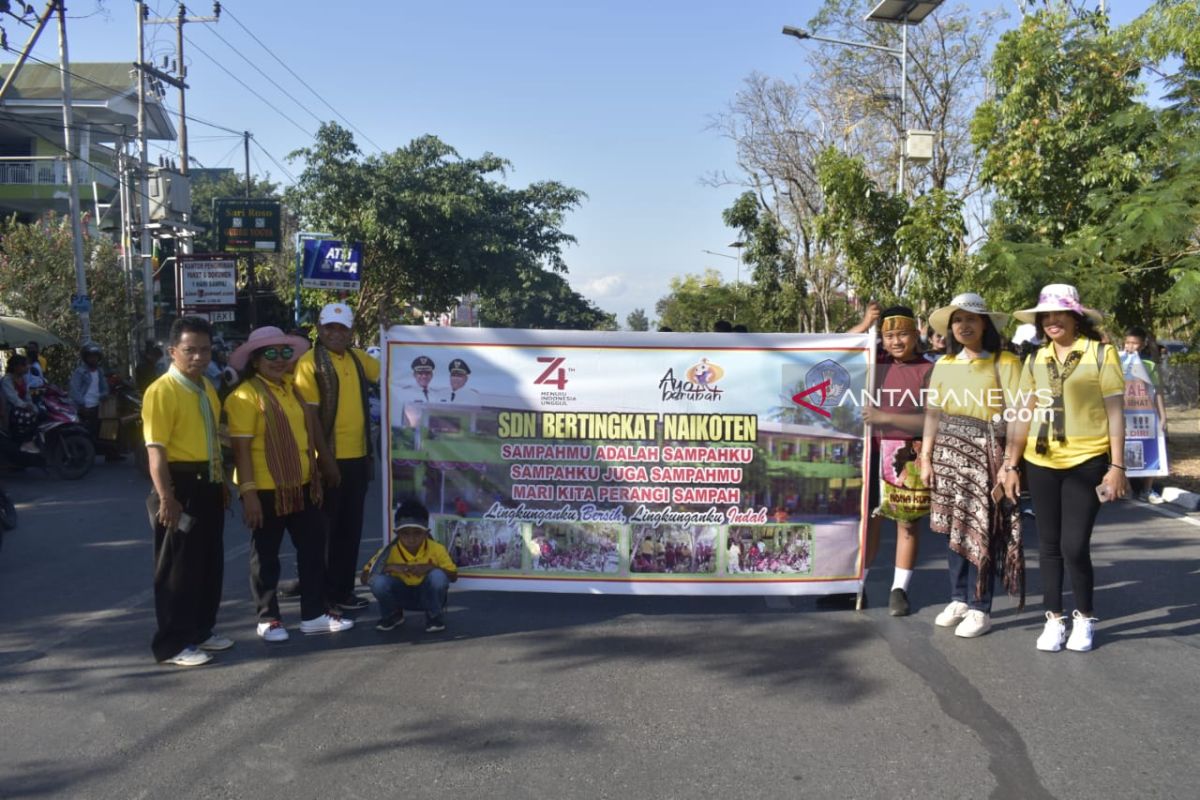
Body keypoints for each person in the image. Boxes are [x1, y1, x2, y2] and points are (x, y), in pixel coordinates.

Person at [1000, 284, 1128, 654]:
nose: (1052, 321)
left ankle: (1084, 617)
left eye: (1059, 313)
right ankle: (1054, 619)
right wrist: (1011, 463)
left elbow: (1116, 412)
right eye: (1046, 315)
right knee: (1049, 545)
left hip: (1086, 461)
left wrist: (1117, 465)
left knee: (1074, 545)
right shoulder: (1035, 359)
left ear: (1076, 317)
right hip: (1040, 461)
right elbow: (1023, 413)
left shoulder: (1101, 354)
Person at [225, 326, 353, 641]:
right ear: (255, 361)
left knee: (312, 550)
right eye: (270, 354)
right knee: (266, 556)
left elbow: (309, 435)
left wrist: (324, 467)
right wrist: (249, 494)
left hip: (303, 485)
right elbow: (241, 450)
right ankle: (268, 619)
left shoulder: (293, 390)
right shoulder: (244, 396)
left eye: (284, 353)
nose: (279, 360)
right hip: (266, 489)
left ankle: (313, 614)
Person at [920, 293, 1023, 639]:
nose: (964, 326)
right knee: (954, 530)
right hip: (948, 455)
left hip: (986, 456)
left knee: (982, 528)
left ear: (985, 325)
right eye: (958, 320)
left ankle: (981, 607)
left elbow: (1017, 414)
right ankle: (958, 598)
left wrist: (1010, 463)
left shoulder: (1005, 362)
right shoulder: (944, 364)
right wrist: (926, 457)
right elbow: (933, 413)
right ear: (950, 328)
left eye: (972, 319)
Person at [142, 317, 231, 667]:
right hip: (179, 484)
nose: (198, 357)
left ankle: (201, 630)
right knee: (176, 567)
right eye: (190, 350)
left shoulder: (206, 387)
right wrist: (167, 497)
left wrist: (221, 479)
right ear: (172, 352)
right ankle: (172, 643)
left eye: (205, 349)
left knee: (209, 562)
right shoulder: (162, 391)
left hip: (208, 481)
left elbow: (214, 438)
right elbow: (156, 451)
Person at [293, 302, 381, 614]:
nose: (335, 334)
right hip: (328, 459)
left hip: (358, 458)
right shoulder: (309, 363)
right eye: (330, 327)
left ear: (351, 332)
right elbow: (310, 417)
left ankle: (343, 590)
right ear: (319, 328)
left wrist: (400, 338)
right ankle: (324, 595)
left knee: (350, 529)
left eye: (342, 328)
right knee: (324, 532)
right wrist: (325, 459)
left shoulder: (358, 359)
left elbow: (391, 368)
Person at [862, 307, 935, 616]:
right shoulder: (874, 361)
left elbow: (931, 420)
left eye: (902, 334)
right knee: (869, 524)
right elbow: (836, 351)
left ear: (914, 335)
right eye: (889, 335)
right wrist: (865, 324)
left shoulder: (928, 370)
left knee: (907, 523)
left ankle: (899, 589)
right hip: (870, 453)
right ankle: (858, 584)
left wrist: (885, 417)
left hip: (907, 456)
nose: (895, 341)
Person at [362, 499, 457, 632]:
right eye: (405, 533)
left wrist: (430, 568)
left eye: (417, 533)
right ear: (397, 533)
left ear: (426, 532)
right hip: (401, 595)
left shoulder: (437, 549)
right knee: (378, 581)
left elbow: (453, 576)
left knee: (438, 576)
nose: (411, 539)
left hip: (426, 595)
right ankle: (393, 615)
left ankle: (434, 616)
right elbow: (365, 577)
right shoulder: (388, 551)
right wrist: (390, 567)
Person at [1123, 325, 1167, 504]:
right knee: (1122, 451)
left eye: (1134, 343)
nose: (1130, 346)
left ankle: (1147, 490)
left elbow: (1156, 392)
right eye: (1127, 342)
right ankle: (1126, 488)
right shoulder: (1116, 362)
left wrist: (1163, 415)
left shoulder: (1149, 365)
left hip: (1146, 416)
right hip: (1123, 416)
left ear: (1142, 346)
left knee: (1151, 450)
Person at [69, 343, 109, 440]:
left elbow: (104, 388)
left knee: (97, 433)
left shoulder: (99, 372)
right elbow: (74, 389)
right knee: (85, 434)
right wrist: (82, 405)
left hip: (97, 407)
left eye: (95, 356)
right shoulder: (80, 372)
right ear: (85, 358)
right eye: (90, 356)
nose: (93, 359)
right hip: (83, 409)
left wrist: (104, 396)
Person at [2, 355, 40, 453]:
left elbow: (27, 396)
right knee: (27, 415)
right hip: (9, 410)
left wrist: (31, 405)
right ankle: (26, 442)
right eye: (24, 365)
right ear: (16, 367)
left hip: (21, 407)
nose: (27, 367)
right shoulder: (7, 380)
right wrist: (25, 406)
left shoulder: (23, 379)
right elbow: (13, 398)